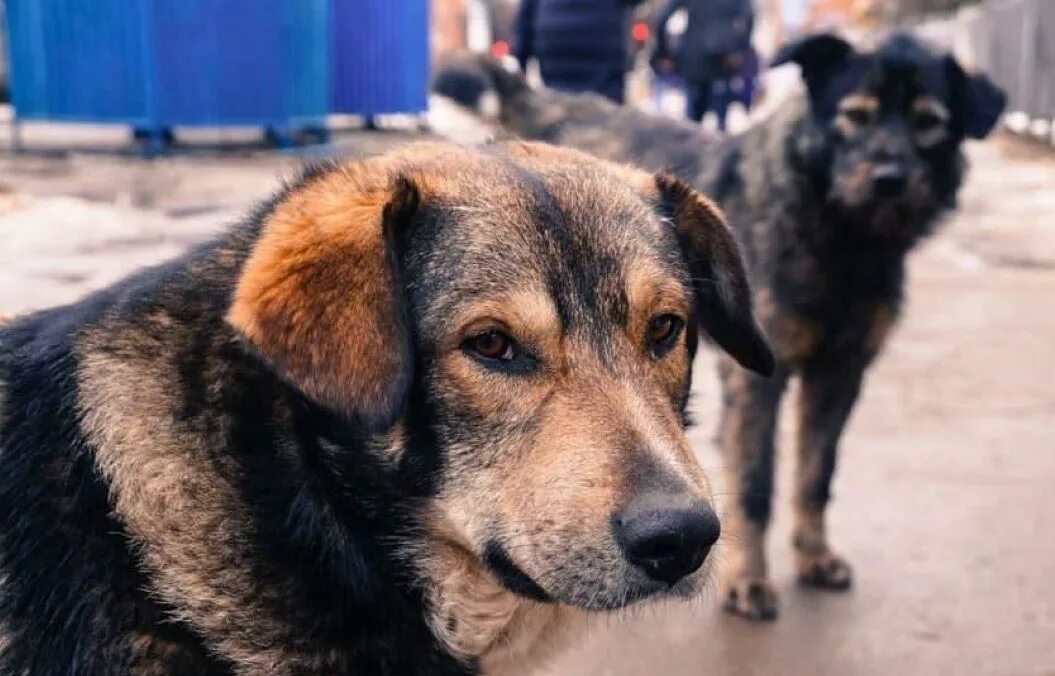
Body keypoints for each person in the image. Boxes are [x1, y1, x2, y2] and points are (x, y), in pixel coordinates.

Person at [512, 0, 641, 104]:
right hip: (600, 55)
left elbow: (525, 21)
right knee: (605, 117)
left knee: (561, 115)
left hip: (556, 61)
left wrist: (520, 60)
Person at [652, 0, 755, 125]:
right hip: (723, 58)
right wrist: (740, 48)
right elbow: (749, 17)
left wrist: (664, 52)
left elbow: (661, 19)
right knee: (721, 123)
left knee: (691, 125)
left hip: (693, 57)